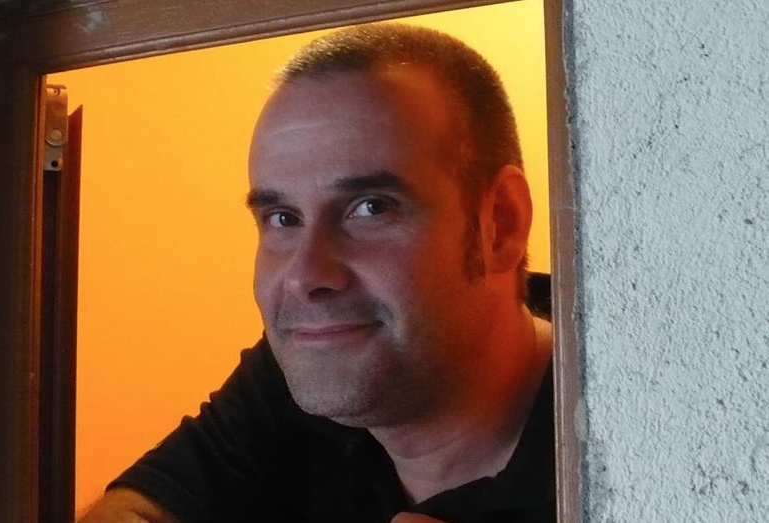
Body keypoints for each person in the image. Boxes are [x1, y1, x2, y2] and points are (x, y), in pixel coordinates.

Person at [80, 23, 554, 523]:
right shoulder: (307, 366)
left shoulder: (604, 435)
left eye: (371, 208)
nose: (306, 277)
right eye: (282, 218)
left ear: (501, 224)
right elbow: (136, 509)